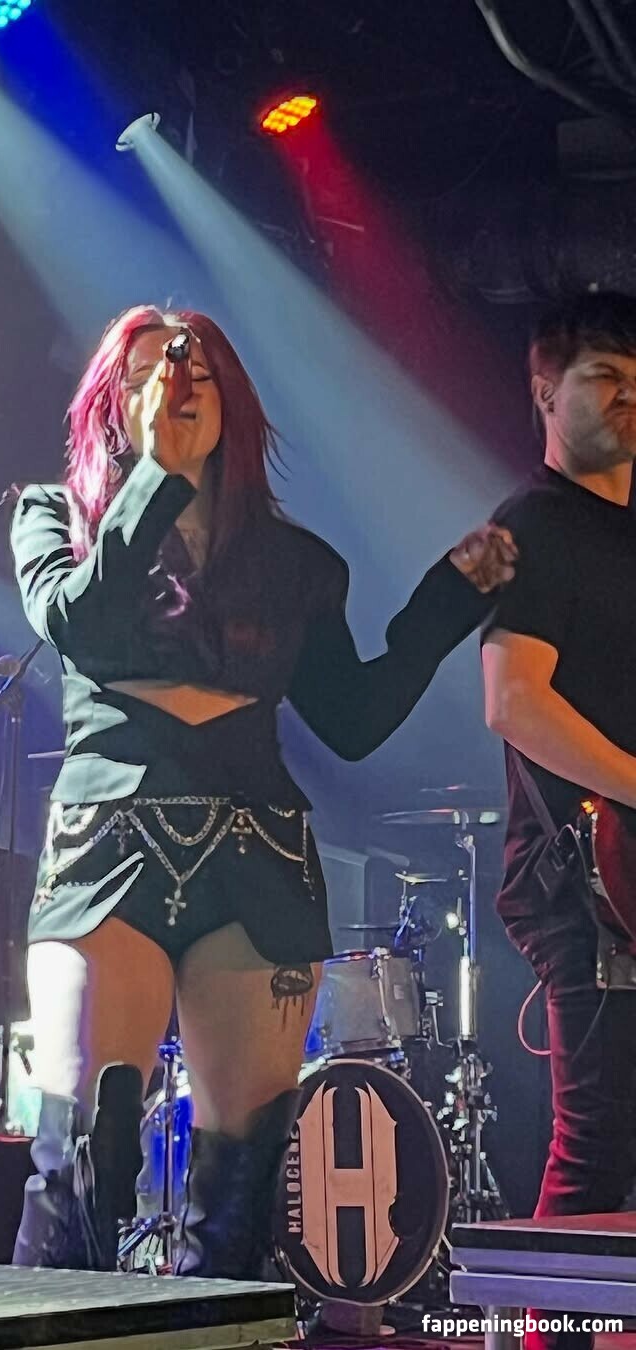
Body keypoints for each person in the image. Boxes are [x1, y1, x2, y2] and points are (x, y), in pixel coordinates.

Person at [10, 304, 517, 1279]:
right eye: (147, 375)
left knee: (241, 1188)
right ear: (111, 406)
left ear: (232, 403)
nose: (172, 387)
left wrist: (447, 602)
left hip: (257, 858)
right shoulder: (54, 521)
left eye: (193, 373)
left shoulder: (295, 564)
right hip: (110, 848)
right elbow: (84, 627)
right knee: (85, 1148)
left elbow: (352, 718)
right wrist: (157, 476)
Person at [481, 292, 636, 1349]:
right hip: (587, 890)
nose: (629, 398)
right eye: (604, 378)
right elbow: (514, 702)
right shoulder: (532, 527)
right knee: (595, 1151)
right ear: (546, 392)